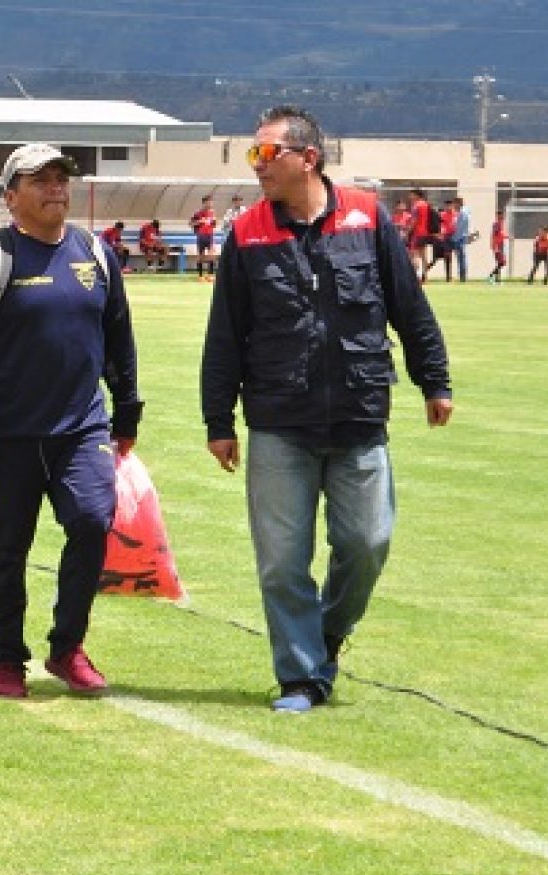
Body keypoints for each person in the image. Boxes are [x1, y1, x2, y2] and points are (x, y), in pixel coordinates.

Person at [201, 105, 452, 713]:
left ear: (306, 157)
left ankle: (327, 635)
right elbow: (226, 334)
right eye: (252, 155)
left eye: (266, 153)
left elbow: (408, 307)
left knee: (367, 542)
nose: (256, 165)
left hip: (359, 414)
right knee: (282, 563)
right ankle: (301, 677)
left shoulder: (367, 218)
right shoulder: (248, 232)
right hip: (279, 422)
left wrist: (434, 380)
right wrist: (219, 421)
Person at [0, 143, 143, 699]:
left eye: (61, 178)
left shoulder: (95, 255)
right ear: (11, 197)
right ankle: (7, 661)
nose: (55, 188)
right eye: (40, 180)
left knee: (92, 521)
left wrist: (127, 409)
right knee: (8, 551)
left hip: (82, 430)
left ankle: (66, 647)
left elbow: (118, 337)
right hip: (6, 436)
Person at [408, 188, 435, 279]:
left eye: (411, 194)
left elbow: (414, 221)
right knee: (423, 255)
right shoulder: (426, 205)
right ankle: (425, 276)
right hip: (425, 233)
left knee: (413, 254)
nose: (410, 197)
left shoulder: (416, 206)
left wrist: (408, 231)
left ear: (416, 195)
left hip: (417, 233)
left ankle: (415, 276)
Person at [190, 194, 218, 280]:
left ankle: (210, 275)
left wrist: (214, 222)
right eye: (208, 202)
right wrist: (199, 221)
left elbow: (214, 225)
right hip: (201, 235)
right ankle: (200, 275)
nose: (210, 204)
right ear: (204, 203)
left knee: (212, 255)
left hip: (210, 235)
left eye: (211, 202)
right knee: (200, 256)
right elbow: (191, 224)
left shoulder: (212, 212)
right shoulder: (198, 213)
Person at [447, 197, 472, 282]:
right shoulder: (465, 211)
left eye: (454, 203)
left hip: (460, 237)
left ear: (458, 203)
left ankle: (462, 276)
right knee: (461, 257)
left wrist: (453, 237)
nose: (453, 206)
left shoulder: (462, 213)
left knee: (461, 257)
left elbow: (459, 227)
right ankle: (462, 276)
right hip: (461, 237)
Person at [487, 210, 508, 284]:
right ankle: (491, 276)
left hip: (500, 245)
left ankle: (497, 279)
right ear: (497, 216)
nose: (502, 217)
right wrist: (495, 246)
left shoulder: (501, 224)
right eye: (500, 216)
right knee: (502, 263)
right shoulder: (496, 224)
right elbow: (496, 235)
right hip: (497, 245)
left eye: (502, 216)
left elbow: (499, 234)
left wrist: (504, 237)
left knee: (500, 262)